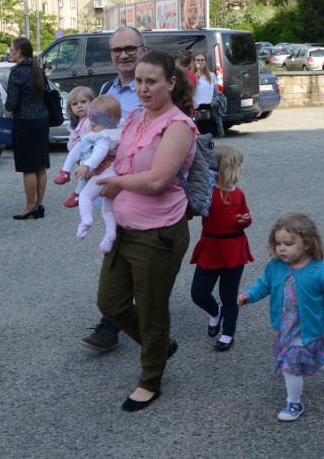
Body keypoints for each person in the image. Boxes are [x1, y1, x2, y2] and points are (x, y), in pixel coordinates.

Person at [95, 49, 197, 412]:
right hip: (123, 230)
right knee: (110, 302)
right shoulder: (136, 117)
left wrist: (117, 182)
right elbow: (104, 140)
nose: (142, 88)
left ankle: (150, 379)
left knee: (152, 311)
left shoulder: (179, 126)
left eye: (151, 81)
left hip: (159, 234)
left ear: (171, 83)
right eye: (138, 81)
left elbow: (156, 180)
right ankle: (161, 345)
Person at [238, 213, 324, 422]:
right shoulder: (276, 266)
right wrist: (248, 295)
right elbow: (264, 284)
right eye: (278, 243)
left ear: (306, 244)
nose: (281, 248)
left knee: (291, 364)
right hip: (285, 328)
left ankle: (294, 402)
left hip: (309, 329)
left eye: (288, 243)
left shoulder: (320, 271)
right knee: (309, 360)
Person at [81, 27, 147, 353]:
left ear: (143, 50)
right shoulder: (108, 90)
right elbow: (93, 131)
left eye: (129, 48)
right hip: (112, 181)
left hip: (139, 182)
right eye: (116, 50)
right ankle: (120, 316)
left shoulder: (151, 91)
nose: (123, 55)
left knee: (128, 250)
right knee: (120, 248)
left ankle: (114, 323)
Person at [189, 145, 253, 352]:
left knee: (229, 295)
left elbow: (245, 215)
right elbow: (194, 208)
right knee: (199, 293)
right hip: (211, 247)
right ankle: (215, 310)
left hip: (234, 248)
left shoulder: (239, 194)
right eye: (237, 167)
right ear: (224, 169)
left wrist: (245, 220)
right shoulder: (207, 192)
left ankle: (228, 333)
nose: (240, 172)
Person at [56, 95, 123, 253]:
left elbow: (100, 153)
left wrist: (86, 165)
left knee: (85, 197)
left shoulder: (103, 137)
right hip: (115, 174)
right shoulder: (116, 131)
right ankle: (110, 234)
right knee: (108, 208)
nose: (91, 125)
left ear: (102, 123)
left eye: (94, 122)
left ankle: (86, 220)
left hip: (103, 174)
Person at [5, 37, 50, 220]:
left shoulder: (17, 73)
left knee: (28, 168)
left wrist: (6, 105)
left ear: (20, 52)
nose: (10, 51)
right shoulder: (38, 69)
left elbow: (11, 103)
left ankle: (29, 206)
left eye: (12, 49)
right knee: (40, 165)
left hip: (24, 122)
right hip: (42, 121)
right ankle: (39, 205)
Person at [54, 85, 96, 209]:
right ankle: (76, 193)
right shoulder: (77, 122)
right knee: (84, 175)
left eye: (83, 102)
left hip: (91, 155)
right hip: (83, 155)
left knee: (85, 173)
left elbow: (89, 141)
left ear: (92, 103)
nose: (79, 106)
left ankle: (68, 177)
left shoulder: (91, 121)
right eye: (75, 104)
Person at [192, 53, 225, 138]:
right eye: (198, 60)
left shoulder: (211, 76)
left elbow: (217, 93)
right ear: (194, 62)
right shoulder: (191, 76)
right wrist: (196, 77)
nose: (200, 62)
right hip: (195, 111)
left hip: (209, 110)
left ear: (206, 62)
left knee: (208, 138)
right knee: (197, 138)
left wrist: (215, 100)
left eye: (202, 60)